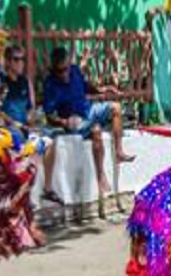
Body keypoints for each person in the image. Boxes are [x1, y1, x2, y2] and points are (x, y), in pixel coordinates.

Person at [42, 47, 134, 212]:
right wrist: (64, 122)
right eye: (59, 71)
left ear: (69, 64)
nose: (63, 74)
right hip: (75, 122)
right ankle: (100, 177)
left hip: (88, 111)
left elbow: (85, 86)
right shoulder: (50, 84)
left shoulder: (75, 71)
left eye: (65, 69)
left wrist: (102, 89)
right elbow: (49, 116)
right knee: (96, 131)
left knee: (116, 108)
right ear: (54, 69)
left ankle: (119, 152)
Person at [0, 44, 62, 206]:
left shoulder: (25, 82)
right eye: (16, 59)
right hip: (8, 130)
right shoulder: (1, 83)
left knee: (49, 140)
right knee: (18, 140)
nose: (21, 63)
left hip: (24, 129)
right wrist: (14, 122)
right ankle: (21, 193)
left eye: (23, 59)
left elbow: (31, 108)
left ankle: (47, 189)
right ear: (8, 62)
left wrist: (32, 119)